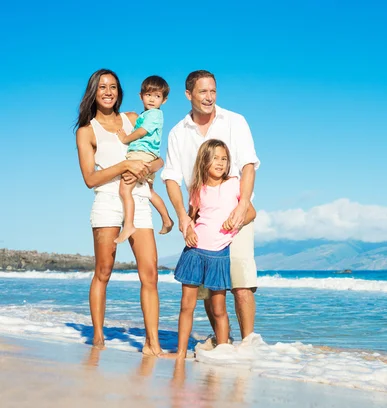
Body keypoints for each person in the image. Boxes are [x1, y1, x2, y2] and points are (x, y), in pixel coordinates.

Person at [161, 70, 260, 344]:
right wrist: (183, 216)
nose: (209, 97)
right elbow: (171, 177)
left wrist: (243, 207)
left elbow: (249, 165)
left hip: (235, 210)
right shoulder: (178, 133)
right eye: (203, 92)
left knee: (241, 281)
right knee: (207, 288)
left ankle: (249, 345)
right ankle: (222, 343)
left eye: (213, 91)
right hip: (201, 214)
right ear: (188, 94)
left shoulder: (235, 121)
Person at [75, 68, 163, 356]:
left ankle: (152, 345)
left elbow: (158, 158)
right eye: (102, 87)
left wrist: (146, 168)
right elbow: (90, 179)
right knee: (103, 271)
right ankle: (98, 339)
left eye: (113, 86)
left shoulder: (134, 119)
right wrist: (124, 166)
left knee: (150, 274)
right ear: (94, 92)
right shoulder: (87, 131)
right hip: (107, 202)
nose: (108, 91)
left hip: (138, 198)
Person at [167, 139, 256, 359]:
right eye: (215, 158)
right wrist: (188, 229)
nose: (220, 162)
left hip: (219, 256)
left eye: (224, 159)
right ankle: (180, 354)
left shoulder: (234, 184)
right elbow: (192, 217)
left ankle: (222, 352)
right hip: (195, 253)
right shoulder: (197, 189)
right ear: (204, 160)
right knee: (186, 306)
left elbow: (251, 213)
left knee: (219, 310)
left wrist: (235, 221)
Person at [114, 75, 173, 244]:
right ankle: (167, 219)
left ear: (164, 100)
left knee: (125, 190)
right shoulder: (147, 114)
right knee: (149, 191)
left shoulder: (154, 114)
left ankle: (129, 225)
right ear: (141, 96)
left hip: (141, 153)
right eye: (148, 95)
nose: (152, 99)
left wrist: (126, 139)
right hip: (149, 154)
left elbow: (142, 132)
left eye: (157, 96)